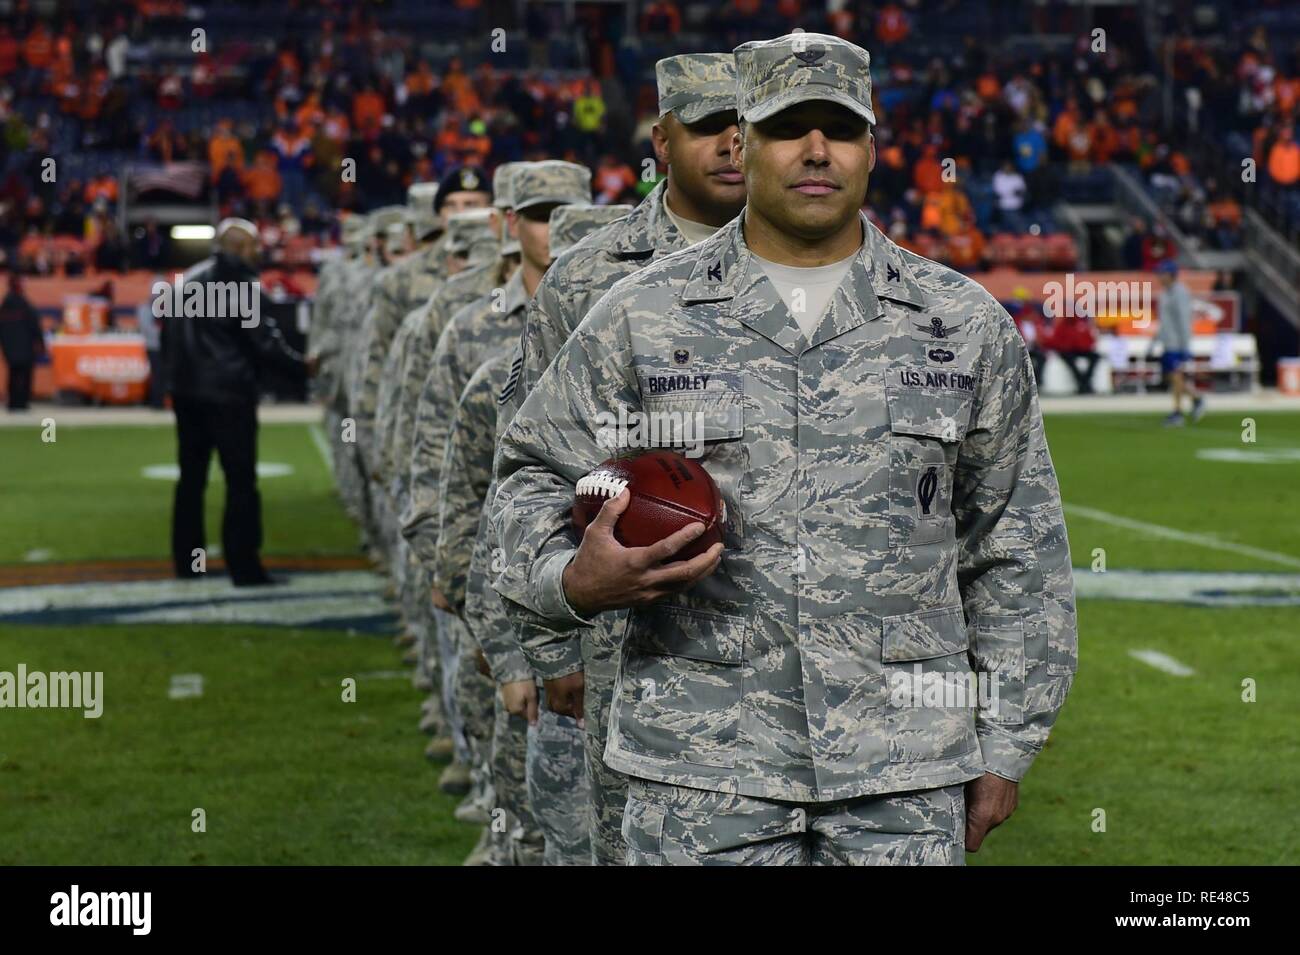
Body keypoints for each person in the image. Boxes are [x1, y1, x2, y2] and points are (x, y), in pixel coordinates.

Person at [493, 32, 1077, 866]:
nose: (815, 151)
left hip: (902, 775)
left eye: (838, 129)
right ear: (746, 140)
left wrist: (1007, 739)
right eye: (786, 127)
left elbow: (1018, 546)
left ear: (871, 147)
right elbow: (527, 480)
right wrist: (570, 583)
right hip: (700, 768)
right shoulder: (642, 315)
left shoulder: (964, 324)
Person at [488, 51, 747, 865]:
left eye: (749, 127)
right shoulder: (587, 278)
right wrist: (553, 638)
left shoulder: (814, 262)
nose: (734, 144)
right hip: (636, 644)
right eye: (709, 128)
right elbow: (531, 465)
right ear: (662, 141)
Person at [163, 218, 312, 586]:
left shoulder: (186, 282)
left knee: (191, 480)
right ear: (241, 248)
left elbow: (168, 336)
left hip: (187, 395)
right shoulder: (245, 287)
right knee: (240, 481)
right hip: (230, 396)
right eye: (254, 245)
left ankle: (188, 562)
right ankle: (244, 567)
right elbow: (263, 345)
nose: (259, 251)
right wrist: (301, 369)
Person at [1154, 260, 1203, 425]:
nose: (1160, 276)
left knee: (1175, 377)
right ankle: (1196, 399)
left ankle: (1177, 412)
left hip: (1177, 343)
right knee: (1172, 377)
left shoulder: (1180, 293)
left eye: (1163, 273)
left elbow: (1183, 320)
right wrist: (1156, 340)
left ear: (1171, 275)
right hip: (1168, 342)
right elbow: (1164, 321)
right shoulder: (1164, 293)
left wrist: (1185, 346)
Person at [0, 277, 44, 412]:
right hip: (25, 347)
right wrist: (40, 343)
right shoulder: (25, 305)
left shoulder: (5, 306)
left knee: (13, 374)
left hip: (10, 348)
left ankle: (14, 402)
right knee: (25, 375)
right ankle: (22, 401)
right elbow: (35, 326)